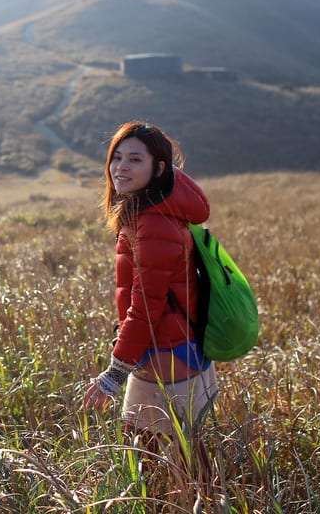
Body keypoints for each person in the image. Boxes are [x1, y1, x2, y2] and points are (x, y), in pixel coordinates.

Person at [81, 120, 218, 446]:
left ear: (159, 169)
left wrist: (113, 375)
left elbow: (146, 306)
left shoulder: (154, 224)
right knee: (172, 453)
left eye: (135, 159)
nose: (120, 167)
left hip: (167, 353)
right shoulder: (150, 211)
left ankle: (204, 498)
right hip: (175, 348)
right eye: (117, 157)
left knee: (161, 454)